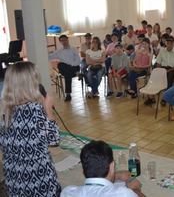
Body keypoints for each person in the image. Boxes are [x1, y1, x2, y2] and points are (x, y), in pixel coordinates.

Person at [0, 61, 61, 196]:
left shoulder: (3, 109)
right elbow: (54, 139)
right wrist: (48, 109)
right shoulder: (35, 109)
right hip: (38, 177)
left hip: (13, 176)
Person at [60, 140, 145, 197]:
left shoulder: (67, 192)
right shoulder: (124, 194)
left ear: (83, 170)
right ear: (112, 166)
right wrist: (135, 190)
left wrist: (116, 175)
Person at [149, 36, 174, 106]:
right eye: (168, 43)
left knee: (169, 78)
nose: (169, 45)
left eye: (170, 43)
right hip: (163, 68)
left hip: (173, 69)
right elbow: (159, 63)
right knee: (154, 75)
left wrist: (168, 70)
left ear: (173, 44)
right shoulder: (162, 51)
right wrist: (160, 71)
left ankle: (165, 97)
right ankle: (152, 96)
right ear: (165, 43)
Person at [48, 34, 81, 102]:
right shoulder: (59, 51)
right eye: (62, 41)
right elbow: (49, 57)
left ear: (67, 40)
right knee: (60, 64)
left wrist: (71, 66)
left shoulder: (74, 49)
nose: (64, 42)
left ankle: (68, 94)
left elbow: (78, 60)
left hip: (74, 67)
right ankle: (78, 74)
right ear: (60, 42)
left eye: (65, 40)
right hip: (67, 69)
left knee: (67, 74)